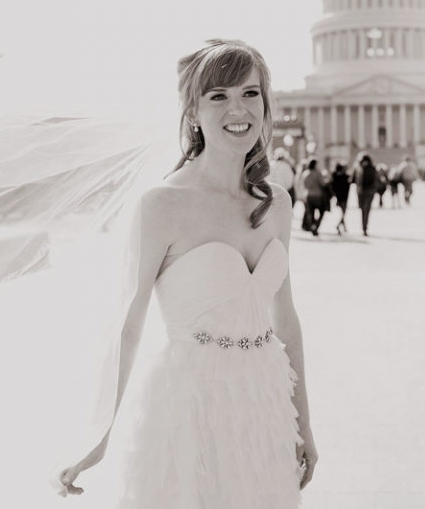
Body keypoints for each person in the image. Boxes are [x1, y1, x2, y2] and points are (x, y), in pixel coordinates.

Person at [58, 39, 317, 508]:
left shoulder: (276, 203)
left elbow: (287, 321)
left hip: (266, 408)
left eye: (250, 93)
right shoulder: (161, 205)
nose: (238, 109)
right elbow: (128, 326)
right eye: (218, 96)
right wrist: (99, 435)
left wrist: (303, 424)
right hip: (189, 408)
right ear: (193, 112)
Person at [301, 158, 330, 236]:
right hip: (317, 195)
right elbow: (322, 183)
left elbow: (304, 185)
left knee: (310, 213)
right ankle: (316, 226)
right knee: (322, 211)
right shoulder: (317, 173)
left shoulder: (305, 173)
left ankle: (312, 226)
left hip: (308, 195)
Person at [353, 151, 378, 236]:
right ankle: (364, 226)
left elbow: (375, 180)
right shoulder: (358, 169)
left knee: (366, 209)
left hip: (369, 191)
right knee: (363, 209)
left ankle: (364, 227)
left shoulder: (372, 169)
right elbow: (353, 180)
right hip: (361, 192)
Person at [330, 161, 351, 234]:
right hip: (344, 196)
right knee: (343, 212)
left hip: (338, 196)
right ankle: (338, 225)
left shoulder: (335, 176)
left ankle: (344, 226)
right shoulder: (345, 177)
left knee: (342, 212)